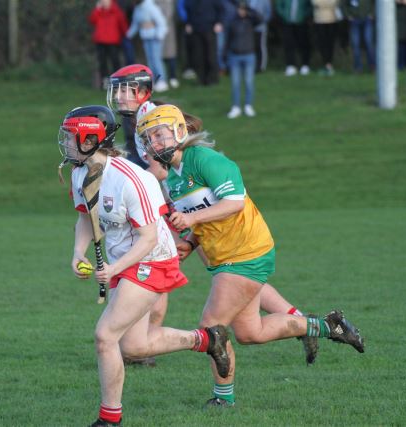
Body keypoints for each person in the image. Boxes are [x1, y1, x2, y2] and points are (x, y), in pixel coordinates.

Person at [137, 104, 365, 407]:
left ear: (179, 131)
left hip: (246, 251)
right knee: (249, 332)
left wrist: (190, 220)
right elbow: (206, 215)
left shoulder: (204, 159)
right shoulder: (173, 178)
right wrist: (191, 242)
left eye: (159, 135)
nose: (154, 143)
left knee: (212, 325)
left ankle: (223, 400)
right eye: (148, 138)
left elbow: (233, 203)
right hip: (225, 256)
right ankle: (330, 326)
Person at [108, 64, 321, 368]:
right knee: (235, 280)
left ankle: (145, 347)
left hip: (180, 207)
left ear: (142, 91)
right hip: (184, 209)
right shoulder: (136, 120)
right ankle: (302, 323)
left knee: (229, 278)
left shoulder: (151, 116)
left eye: (125, 89)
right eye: (116, 89)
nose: (118, 96)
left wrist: (134, 188)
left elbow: (160, 171)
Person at [58, 105, 230, 426]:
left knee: (105, 336)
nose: (65, 143)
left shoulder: (132, 179)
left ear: (90, 140)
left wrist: (114, 269)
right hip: (125, 261)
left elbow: (149, 238)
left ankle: (109, 418)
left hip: (152, 259)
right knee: (135, 346)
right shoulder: (80, 172)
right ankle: (208, 340)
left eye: (71, 137)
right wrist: (77, 252)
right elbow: (85, 216)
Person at [225, 1, 263, 119]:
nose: (241, 11)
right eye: (240, 9)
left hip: (249, 55)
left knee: (248, 82)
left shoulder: (251, 21)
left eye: (243, 9)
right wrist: (225, 55)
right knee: (235, 83)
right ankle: (236, 107)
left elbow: (260, 18)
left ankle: (248, 105)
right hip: (235, 56)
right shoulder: (232, 21)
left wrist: (250, 10)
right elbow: (228, 39)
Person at [127, 0, 170, 92]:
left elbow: (161, 22)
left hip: (155, 38)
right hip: (146, 38)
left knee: (156, 60)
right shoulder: (137, 9)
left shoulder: (151, 7)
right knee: (150, 61)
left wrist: (159, 35)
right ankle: (153, 81)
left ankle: (162, 81)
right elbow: (135, 24)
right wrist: (128, 35)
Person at [89, 0, 129, 90]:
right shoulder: (99, 11)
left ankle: (118, 81)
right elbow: (92, 20)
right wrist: (97, 9)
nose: (104, 2)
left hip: (113, 41)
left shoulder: (116, 11)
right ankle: (105, 82)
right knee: (102, 62)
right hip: (100, 41)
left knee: (115, 61)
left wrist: (126, 34)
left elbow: (122, 23)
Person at [183, 0, 224, 86]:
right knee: (198, 56)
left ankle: (212, 79)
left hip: (210, 28)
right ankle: (201, 79)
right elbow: (188, 9)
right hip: (196, 30)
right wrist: (188, 23)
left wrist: (219, 23)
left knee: (210, 56)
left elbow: (221, 9)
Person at [275, 0, 312, 76]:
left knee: (304, 44)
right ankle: (290, 65)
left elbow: (310, 6)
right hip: (287, 23)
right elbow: (279, 5)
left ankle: (305, 65)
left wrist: (304, 15)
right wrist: (284, 14)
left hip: (301, 23)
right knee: (288, 44)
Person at [340, 0, 375, 73]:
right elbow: (342, 4)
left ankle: (373, 66)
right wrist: (348, 15)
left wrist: (372, 13)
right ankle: (358, 68)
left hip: (367, 19)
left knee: (369, 42)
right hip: (354, 21)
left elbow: (375, 3)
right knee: (355, 44)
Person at [156, 0, 180, 88]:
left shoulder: (168, 2)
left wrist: (158, 23)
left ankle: (173, 77)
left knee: (171, 56)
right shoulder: (154, 2)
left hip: (168, 32)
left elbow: (168, 15)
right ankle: (162, 79)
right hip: (157, 32)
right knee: (159, 58)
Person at [311, 0, 340, 76]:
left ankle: (329, 65)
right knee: (322, 44)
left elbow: (334, 2)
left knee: (330, 44)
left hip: (332, 19)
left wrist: (322, 4)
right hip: (319, 20)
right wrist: (327, 4)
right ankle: (325, 64)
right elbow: (315, 2)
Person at [247, 0, 272, 71]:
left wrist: (261, 21)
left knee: (260, 46)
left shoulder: (265, 1)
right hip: (249, 28)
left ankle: (261, 66)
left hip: (260, 28)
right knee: (251, 47)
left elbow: (268, 14)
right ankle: (252, 65)